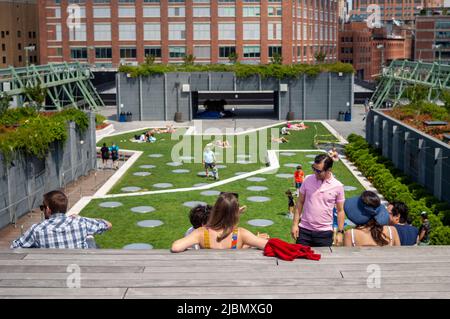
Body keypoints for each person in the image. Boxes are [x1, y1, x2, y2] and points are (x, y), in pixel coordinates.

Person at [10, 190, 112, 249]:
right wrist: (81, 218)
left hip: (52, 274)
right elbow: (108, 224)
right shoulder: (80, 222)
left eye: (43, 208)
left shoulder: (37, 229)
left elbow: (14, 247)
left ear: (48, 210)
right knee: (89, 238)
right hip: (78, 272)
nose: (43, 210)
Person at [171, 193, 269, 252]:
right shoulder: (241, 234)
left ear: (215, 211)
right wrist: (254, 240)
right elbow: (268, 245)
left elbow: (176, 247)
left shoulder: (200, 232)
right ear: (234, 215)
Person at [291, 154, 346, 247]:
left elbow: (340, 211)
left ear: (329, 170)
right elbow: (300, 202)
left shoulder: (338, 186)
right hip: (304, 230)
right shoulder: (307, 179)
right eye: (314, 168)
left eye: (318, 171)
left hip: (324, 233)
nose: (315, 172)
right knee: (300, 260)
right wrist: (295, 224)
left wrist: (340, 232)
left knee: (323, 261)